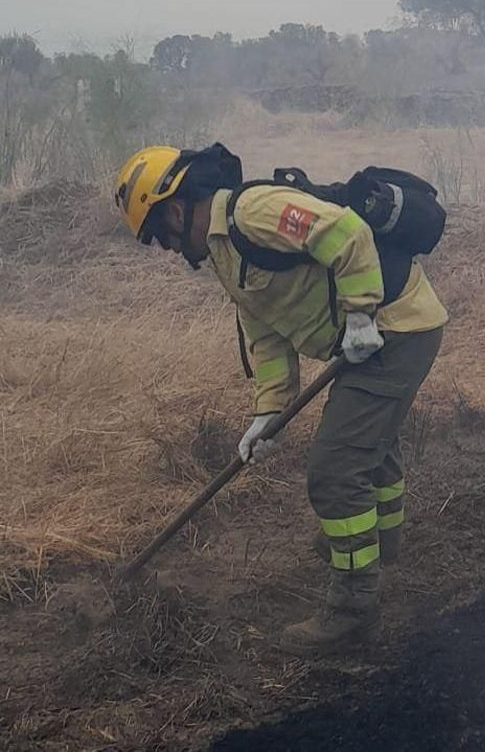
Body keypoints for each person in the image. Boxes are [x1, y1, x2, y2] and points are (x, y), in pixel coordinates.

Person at [112, 143, 447, 654]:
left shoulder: (252, 212)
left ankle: (353, 610)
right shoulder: (225, 253)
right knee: (365, 447)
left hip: (395, 328)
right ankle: (378, 544)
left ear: (175, 210)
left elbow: (346, 232)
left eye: (159, 236)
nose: (167, 249)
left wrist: (360, 314)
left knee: (335, 471)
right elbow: (264, 330)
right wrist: (268, 411)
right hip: (369, 340)